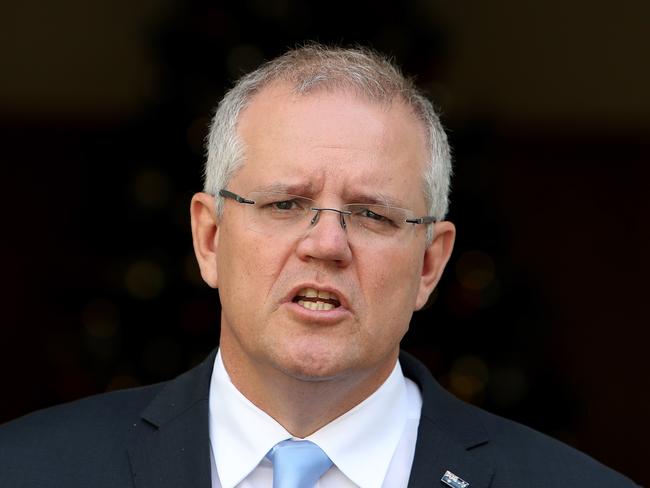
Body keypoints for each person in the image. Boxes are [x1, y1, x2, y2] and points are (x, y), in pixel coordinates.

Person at [0, 45, 638, 488]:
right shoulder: (26, 471)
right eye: (285, 203)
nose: (326, 244)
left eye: (373, 215)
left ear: (430, 265)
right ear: (210, 237)